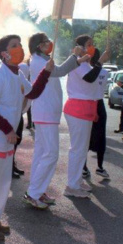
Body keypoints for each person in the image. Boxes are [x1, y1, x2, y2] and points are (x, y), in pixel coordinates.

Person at [0, 34, 53, 240]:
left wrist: (45, 73)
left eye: (19, 45)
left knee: (2, 183)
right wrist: (8, 129)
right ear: (4, 54)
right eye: (14, 46)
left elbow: (33, 93)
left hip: (5, 140)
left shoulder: (17, 74)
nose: (20, 49)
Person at [23, 32, 85, 209]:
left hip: (46, 112)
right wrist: (74, 55)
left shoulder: (41, 60)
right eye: (45, 42)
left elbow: (58, 70)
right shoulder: (39, 61)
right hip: (46, 112)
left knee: (42, 154)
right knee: (51, 154)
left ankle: (36, 190)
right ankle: (34, 193)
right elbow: (59, 71)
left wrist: (77, 59)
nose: (49, 44)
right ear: (38, 46)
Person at [63, 35, 110, 199]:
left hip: (85, 109)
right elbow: (90, 79)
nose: (92, 47)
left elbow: (93, 82)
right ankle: (72, 185)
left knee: (82, 149)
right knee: (77, 149)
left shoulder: (86, 63)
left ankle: (76, 181)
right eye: (89, 45)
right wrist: (101, 61)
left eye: (92, 44)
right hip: (78, 109)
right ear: (80, 47)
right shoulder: (78, 62)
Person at [81, 48, 111, 180]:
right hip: (91, 105)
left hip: (96, 104)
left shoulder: (102, 72)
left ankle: (97, 167)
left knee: (97, 137)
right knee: (87, 137)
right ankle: (85, 167)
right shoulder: (88, 71)